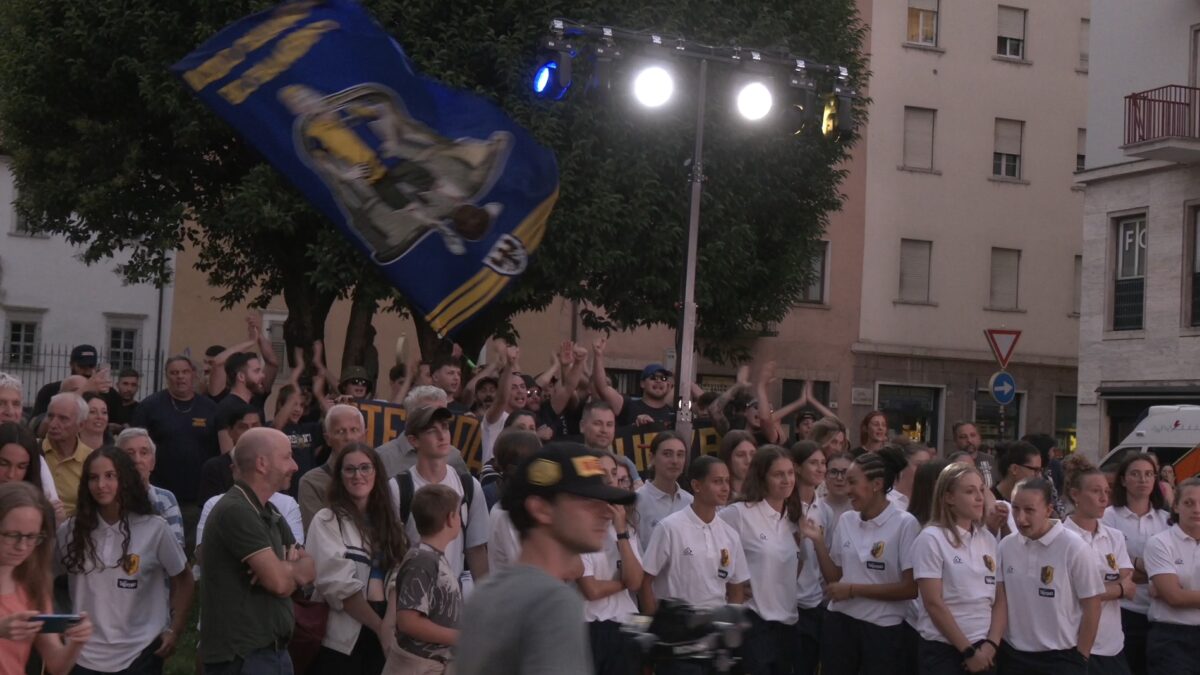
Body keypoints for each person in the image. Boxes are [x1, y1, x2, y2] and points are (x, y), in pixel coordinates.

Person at [455, 443, 636, 675]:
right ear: (541, 509)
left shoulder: (486, 593)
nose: (605, 511)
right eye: (588, 502)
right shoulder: (554, 602)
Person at [57, 447, 193, 673]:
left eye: (110, 476)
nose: (101, 485)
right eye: (93, 478)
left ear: (126, 479)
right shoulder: (71, 530)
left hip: (140, 652)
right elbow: (42, 575)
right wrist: (55, 623)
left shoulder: (154, 528)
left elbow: (184, 578)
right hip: (82, 653)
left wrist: (174, 629)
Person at [200, 428, 315, 674]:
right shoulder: (236, 510)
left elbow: (310, 567)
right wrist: (286, 570)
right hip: (243, 657)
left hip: (272, 653)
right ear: (262, 463)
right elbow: (279, 585)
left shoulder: (268, 510)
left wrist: (283, 567)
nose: (295, 466)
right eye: (287, 457)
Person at [800, 447, 920, 675]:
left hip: (882, 631)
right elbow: (835, 578)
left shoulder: (905, 524)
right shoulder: (847, 520)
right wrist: (818, 543)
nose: (847, 490)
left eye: (853, 482)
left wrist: (853, 590)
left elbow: (910, 588)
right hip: (840, 625)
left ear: (876, 484)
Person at [308, 444, 407, 673]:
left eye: (365, 468)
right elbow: (337, 584)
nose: (357, 475)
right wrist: (379, 627)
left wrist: (389, 624)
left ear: (376, 472)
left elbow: (399, 576)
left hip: (386, 628)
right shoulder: (327, 520)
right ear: (340, 476)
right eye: (350, 469)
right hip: (341, 641)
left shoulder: (393, 524)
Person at [996, 478, 1103, 675]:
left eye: (1029, 510)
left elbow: (1093, 605)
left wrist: (1081, 657)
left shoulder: (1074, 547)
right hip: (1013, 656)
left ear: (1048, 510)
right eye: (1015, 509)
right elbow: (1001, 601)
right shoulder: (1006, 546)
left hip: (1060, 659)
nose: (1020, 518)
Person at [910, 462, 1004, 675]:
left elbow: (1000, 599)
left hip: (985, 649)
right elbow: (933, 603)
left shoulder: (988, 539)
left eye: (981, 490)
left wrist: (991, 645)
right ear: (948, 497)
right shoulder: (931, 539)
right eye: (970, 491)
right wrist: (968, 651)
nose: (980, 497)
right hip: (943, 650)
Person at [719, 446, 802, 675]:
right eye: (778, 474)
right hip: (754, 622)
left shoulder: (795, 517)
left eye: (790, 473)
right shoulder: (739, 513)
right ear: (762, 477)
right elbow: (710, 549)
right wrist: (730, 587)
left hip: (788, 623)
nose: (787, 480)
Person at [389, 405, 490, 585]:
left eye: (444, 427)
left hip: (454, 591)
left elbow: (476, 549)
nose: (442, 436)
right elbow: (392, 553)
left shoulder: (468, 486)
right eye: (431, 431)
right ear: (413, 440)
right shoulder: (398, 488)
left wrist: (485, 596)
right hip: (412, 589)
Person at [0, 481, 93, 673]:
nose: (22, 546)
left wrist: (76, 642)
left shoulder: (33, 586)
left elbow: (57, 665)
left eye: (31, 537)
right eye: (12, 535)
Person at [1101, 452, 1169, 675]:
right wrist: (1145, 566)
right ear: (1123, 480)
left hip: (1158, 610)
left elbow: (1172, 568)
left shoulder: (1166, 520)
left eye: (1149, 474)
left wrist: (1134, 566)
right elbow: (1109, 563)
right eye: (1136, 474)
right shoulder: (1108, 517)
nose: (1143, 480)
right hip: (1123, 609)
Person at [1063, 465, 1135, 675]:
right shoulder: (1061, 537)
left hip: (1112, 646)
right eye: (1096, 491)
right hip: (1072, 643)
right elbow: (1066, 591)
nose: (1104, 498)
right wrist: (1117, 589)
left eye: (1106, 491)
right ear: (1075, 494)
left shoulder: (1114, 537)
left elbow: (1130, 587)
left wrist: (1088, 590)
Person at [131, 356, 218, 531]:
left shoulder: (210, 408)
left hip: (197, 499)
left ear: (193, 374)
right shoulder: (149, 407)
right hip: (159, 497)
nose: (180, 377)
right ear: (167, 376)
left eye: (185, 372)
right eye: (174, 373)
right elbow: (134, 446)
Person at [578, 452, 643, 675]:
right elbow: (592, 590)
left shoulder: (625, 526)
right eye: (602, 473)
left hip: (626, 622)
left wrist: (621, 531)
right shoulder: (578, 528)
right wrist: (623, 583)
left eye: (614, 474)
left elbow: (636, 582)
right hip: (590, 626)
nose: (610, 479)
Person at [386, 484, 462, 674]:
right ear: (450, 518)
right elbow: (408, 621)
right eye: (459, 514)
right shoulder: (422, 561)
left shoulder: (431, 557)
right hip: (417, 667)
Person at [1143, 477, 1200, 674]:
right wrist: (1173, 593)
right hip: (1172, 639)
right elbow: (1174, 597)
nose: (1197, 509)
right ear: (1176, 506)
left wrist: (1182, 593)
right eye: (1189, 503)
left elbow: (1175, 594)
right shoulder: (1160, 543)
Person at [789, 441, 827, 675]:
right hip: (788, 604)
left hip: (814, 604)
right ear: (797, 467)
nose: (820, 468)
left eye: (823, 462)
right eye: (813, 463)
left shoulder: (824, 510)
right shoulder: (784, 506)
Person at [373, 386, 469, 479]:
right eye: (430, 413)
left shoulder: (453, 456)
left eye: (442, 412)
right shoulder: (382, 457)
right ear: (411, 416)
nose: (437, 418)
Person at [115, 428, 185, 551]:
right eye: (129, 453)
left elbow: (176, 549)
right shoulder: (109, 498)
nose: (137, 460)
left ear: (153, 462)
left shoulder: (166, 499)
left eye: (144, 453)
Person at [298, 404, 366, 530]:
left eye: (354, 430)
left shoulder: (376, 477)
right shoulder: (312, 482)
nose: (348, 438)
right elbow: (318, 533)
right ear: (327, 439)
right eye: (340, 431)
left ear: (364, 435)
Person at [592, 336, 675, 428]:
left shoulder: (672, 414)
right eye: (653, 378)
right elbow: (603, 388)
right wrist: (598, 355)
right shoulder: (628, 406)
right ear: (642, 384)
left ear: (668, 385)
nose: (658, 381)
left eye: (663, 378)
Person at [635, 431, 692, 551]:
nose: (675, 461)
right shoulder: (637, 501)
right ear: (652, 458)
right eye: (667, 454)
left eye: (680, 455)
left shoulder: (690, 502)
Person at [197, 409, 263, 505]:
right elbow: (210, 507)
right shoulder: (214, 467)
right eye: (243, 427)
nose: (250, 431)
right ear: (230, 431)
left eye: (255, 426)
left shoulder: (271, 464)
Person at [42, 393, 92, 518]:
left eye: (63, 419)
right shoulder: (32, 451)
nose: (53, 424)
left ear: (81, 425)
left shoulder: (92, 459)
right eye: (50, 416)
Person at [578, 400, 642, 490]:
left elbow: (639, 495)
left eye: (609, 425)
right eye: (597, 424)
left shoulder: (625, 463)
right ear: (582, 426)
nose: (604, 430)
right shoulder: (571, 462)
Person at [214, 352, 268, 454]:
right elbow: (228, 453)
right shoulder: (227, 408)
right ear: (241, 376)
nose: (263, 375)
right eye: (256, 371)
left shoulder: (255, 402)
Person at [815, 452, 854, 549]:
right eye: (833, 472)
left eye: (845, 472)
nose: (839, 478)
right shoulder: (814, 509)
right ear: (825, 475)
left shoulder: (862, 510)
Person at [890, 442, 932, 512]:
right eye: (919, 465)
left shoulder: (930, 498)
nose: (924, 470)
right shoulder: (888, 498)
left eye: (928, 466)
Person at [952, 422, 997, 488]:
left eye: (973, 435)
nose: (969, 440)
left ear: (979, 438)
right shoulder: (950, 464)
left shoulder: (992, 461)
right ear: (955, 441)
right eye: (963, 437)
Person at [717, 430, 756, 500]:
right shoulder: (717, 496)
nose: (748, 461)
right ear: (728, 459)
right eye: (740, 455)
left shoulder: (765, 494)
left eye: (752, 454)